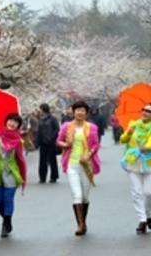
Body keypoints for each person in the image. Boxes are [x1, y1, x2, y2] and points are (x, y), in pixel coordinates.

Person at [56, 100, 101, 236]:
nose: (80, 112)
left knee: (85, 197)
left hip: (86, 165)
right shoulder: (66, 126)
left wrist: (89, 154)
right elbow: (58, 140)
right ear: (73, 112)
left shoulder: (92, 127)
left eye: (82, 110)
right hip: (72, 164)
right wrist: (65, 144)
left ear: (86, 113)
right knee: (77, 195)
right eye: (77, 110)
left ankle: (84, 221)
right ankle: (80, 224)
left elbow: (95, 144)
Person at [120, 102, 151, 234]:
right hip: (133, 162)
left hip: (149, 163)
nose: (144, 112)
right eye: (143, 109)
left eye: (148, 111)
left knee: (149, 193)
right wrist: (129, 133)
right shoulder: (133, 125)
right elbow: (123, 139)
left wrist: (144, 147)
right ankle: (142, 219)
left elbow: (150, 144)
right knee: (137, 192)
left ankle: (148, 214)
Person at [0, 113, 28, 238]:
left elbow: (21, 157)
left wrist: (23, 142)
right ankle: (5, 218)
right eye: (10, 120)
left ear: (18, 126)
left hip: (11, 173)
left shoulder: (18, 139)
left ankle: (7, 222)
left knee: (8, 199)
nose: (12, 123)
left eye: (16, 122)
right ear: (6, 121)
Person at [36, 103, 60, 183]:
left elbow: (57, 129)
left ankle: (54, 176)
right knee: (42, 161)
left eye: (40, 109)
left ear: (43, 109)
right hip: (43, 143)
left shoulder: (53, 119)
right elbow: (39, 131)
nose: (39, 110)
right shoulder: (40, 119)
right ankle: (42, 177)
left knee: (52, 160)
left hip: (51, 143)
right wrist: (37, 141)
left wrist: (51, 138)